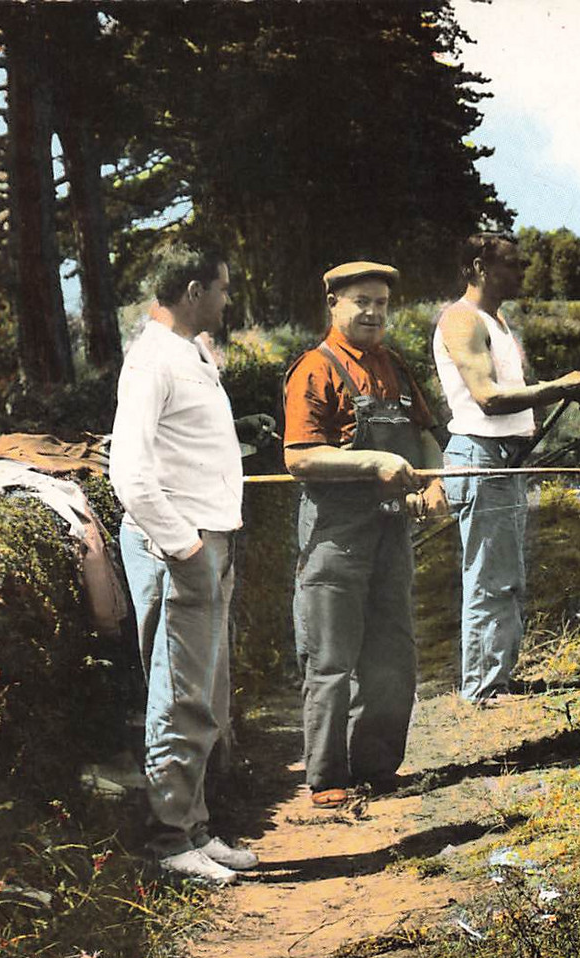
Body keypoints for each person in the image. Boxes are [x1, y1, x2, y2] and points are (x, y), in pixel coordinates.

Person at [109, 246, 267, 884]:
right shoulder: (151, 359)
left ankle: (195, 829)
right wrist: (187, 548)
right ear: (195, 289)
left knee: (204, 696)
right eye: (223, 289)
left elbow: (186, 443)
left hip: (209, 538)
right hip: (181, 547)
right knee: (178, 698)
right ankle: (169, 842)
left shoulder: (188, 350)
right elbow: (130, 475)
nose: (228, 302)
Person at [284, 262, 447, 807]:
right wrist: (374, 460)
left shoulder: (394, 367)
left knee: (391, 653)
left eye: (381, 302)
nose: (374, 312)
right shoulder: (315, 368)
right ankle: (328, 778)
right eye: (362, 301)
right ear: (333, 304)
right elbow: (300, 459)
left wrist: (434, 481)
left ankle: (377, 767)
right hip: (335, 533)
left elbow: (425, 436)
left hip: (390, 528)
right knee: (330, 658)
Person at [433, 232, 580, 704]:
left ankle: (496, 677)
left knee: (505, 575)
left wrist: (572, 392)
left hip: (504, 457)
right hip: (480, 456)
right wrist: (560, 387)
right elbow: (487, 398)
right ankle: (482, 689)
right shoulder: (462, 320)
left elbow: (512, 394)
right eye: (513, 264)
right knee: (488, 575)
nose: (522, 273)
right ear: (481, 267)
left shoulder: (496, 319)